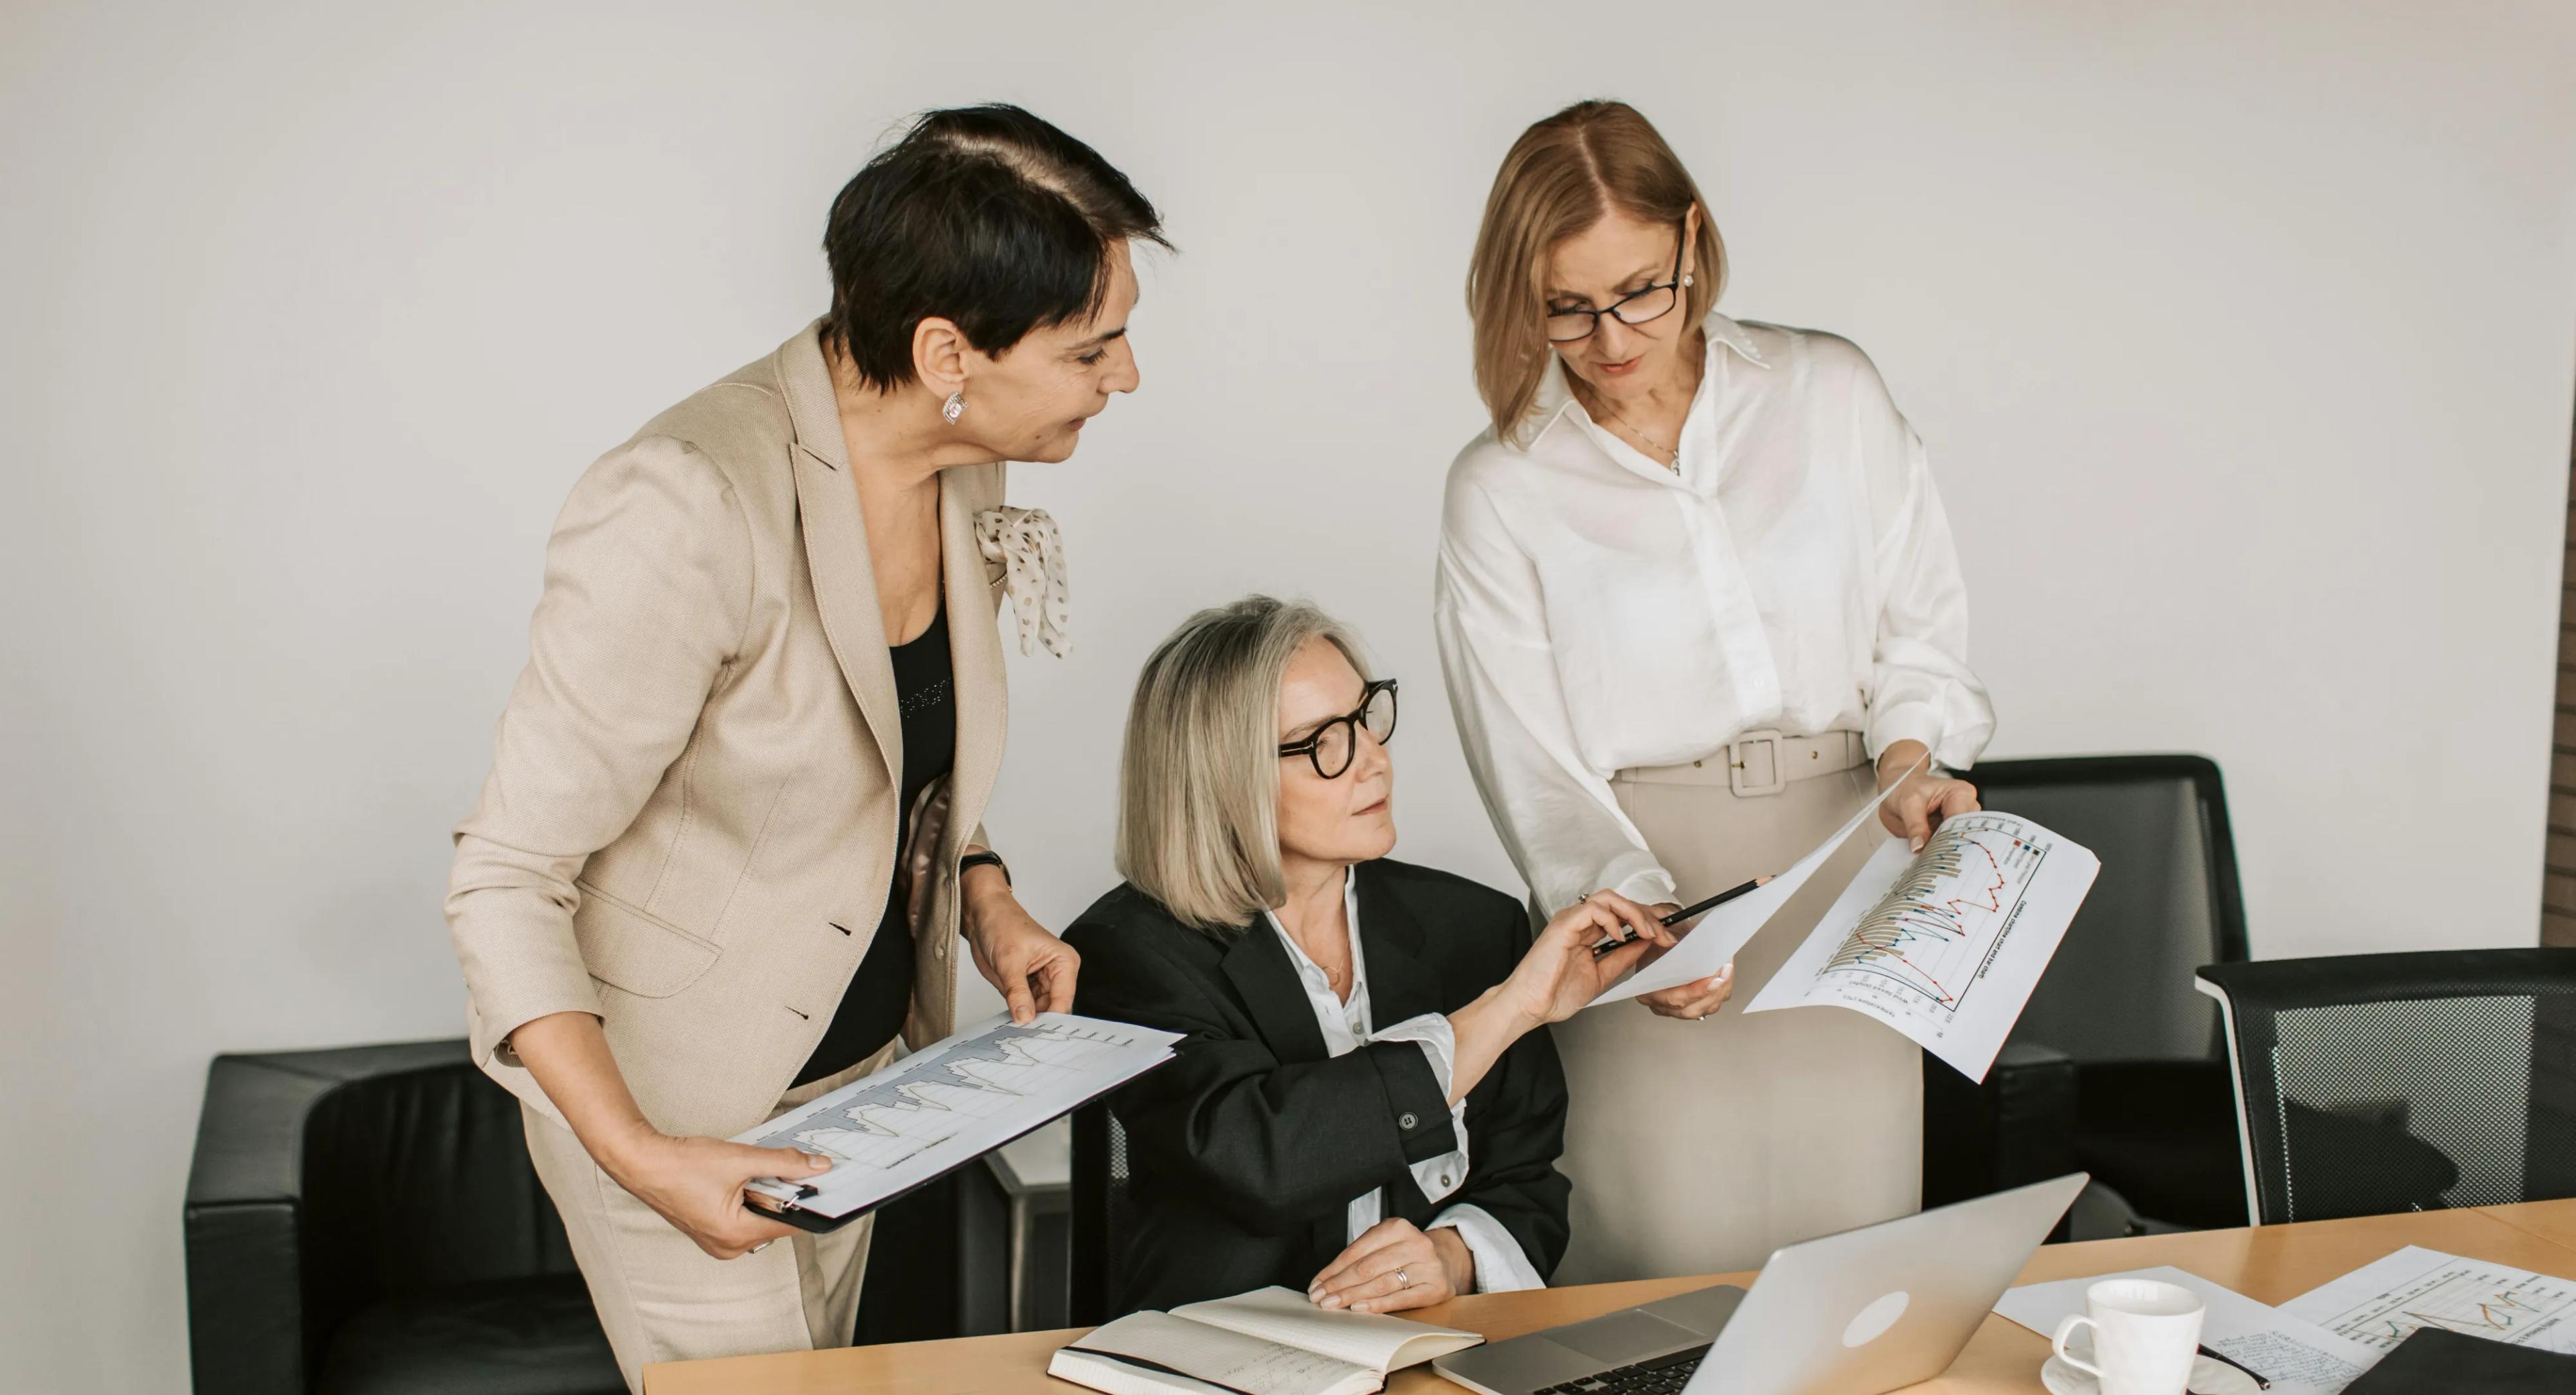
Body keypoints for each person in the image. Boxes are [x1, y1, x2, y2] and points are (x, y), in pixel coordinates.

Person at [443, 105, 1163, 1387]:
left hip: (860, 1094)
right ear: (948, 349)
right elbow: (503, 880)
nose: (1125, 379)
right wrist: (641, 1156)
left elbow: (889, 750)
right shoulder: (685, 502)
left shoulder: (964, 459)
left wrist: (985, 902)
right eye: (1092, 347)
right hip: (678, 1115)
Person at [1435, 99, 1996, 1284]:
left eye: (1639, 289)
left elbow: (1921, 629)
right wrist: (1640, 914)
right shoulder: (1502, 486)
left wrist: (1912, 765)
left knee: (1857, 1272)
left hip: (1857, 857)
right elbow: (1529, 764)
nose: (1610, 336)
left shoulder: (1828, 391)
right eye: (1566, 307)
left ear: (1693, 241)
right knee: (1662, 1276)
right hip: (1653, 896)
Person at [1066, 597, 1680, 1317]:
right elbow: (1264, 1158)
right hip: (1225, 1359)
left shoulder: (1476, 926)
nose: (1374, 760)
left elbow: (1529, 1181)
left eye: (1366, 717)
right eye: (1324, 742)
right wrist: (1510, 1009)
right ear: (1222, 780)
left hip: (1430, 1349)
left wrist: (1453, 1256)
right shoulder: (1128, 952)